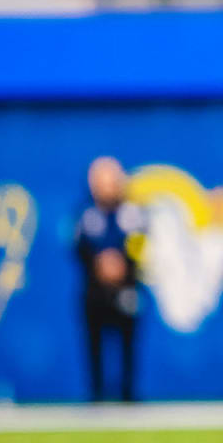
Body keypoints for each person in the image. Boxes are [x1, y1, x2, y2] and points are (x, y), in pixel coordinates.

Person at [76, 156, 145, 402]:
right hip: (95, 290)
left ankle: (128, 394)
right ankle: (97, 395)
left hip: (126, 288)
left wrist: (123, 263)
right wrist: (98, 263)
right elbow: (78, 247)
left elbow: (141, 244)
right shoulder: (86, 214)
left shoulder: (132, 214)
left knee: (128, 343)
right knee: (94, 343)